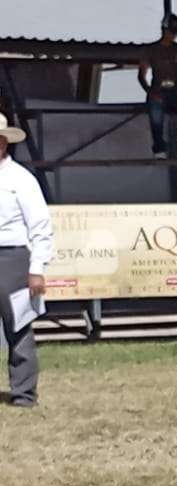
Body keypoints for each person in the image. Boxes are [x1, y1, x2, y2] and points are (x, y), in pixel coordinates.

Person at [0, 113, 53, 409]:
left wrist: (36, 268)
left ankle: (23, 392)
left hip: (12, 256)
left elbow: (40, 225)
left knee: (18, 326)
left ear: (3, 143)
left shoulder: (21, 179)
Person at [139, 15, 177, 157]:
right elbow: (141, 75)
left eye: (175, 33)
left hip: (176, 92)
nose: (174, 36)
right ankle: (159, 148)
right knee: (156, 113)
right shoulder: (150, 50)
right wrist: (149, 91)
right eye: (172, 32)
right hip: (157, 91)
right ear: (164, 30)